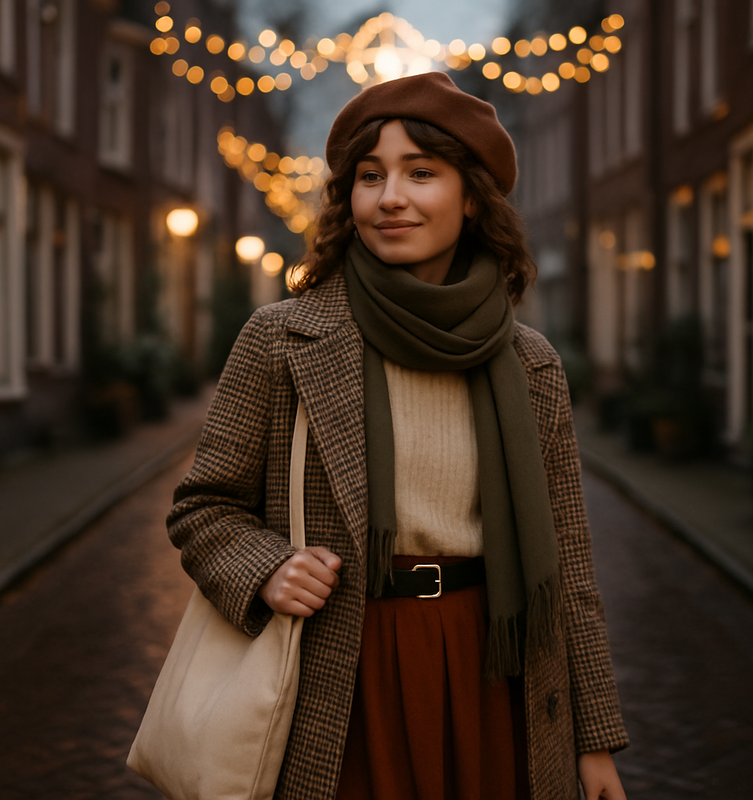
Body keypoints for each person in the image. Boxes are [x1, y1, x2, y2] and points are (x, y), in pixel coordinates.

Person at [167, 71, 629, 800]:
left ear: (471, 196)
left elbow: (568, 568)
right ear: (347, 199)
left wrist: (595, 738)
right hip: (341, 672)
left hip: (495, 670)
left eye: (422, 173)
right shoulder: (282, 341)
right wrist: (266, 567)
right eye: (370, 176)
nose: (391, 198)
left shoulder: (530, 364)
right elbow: (202, 508)